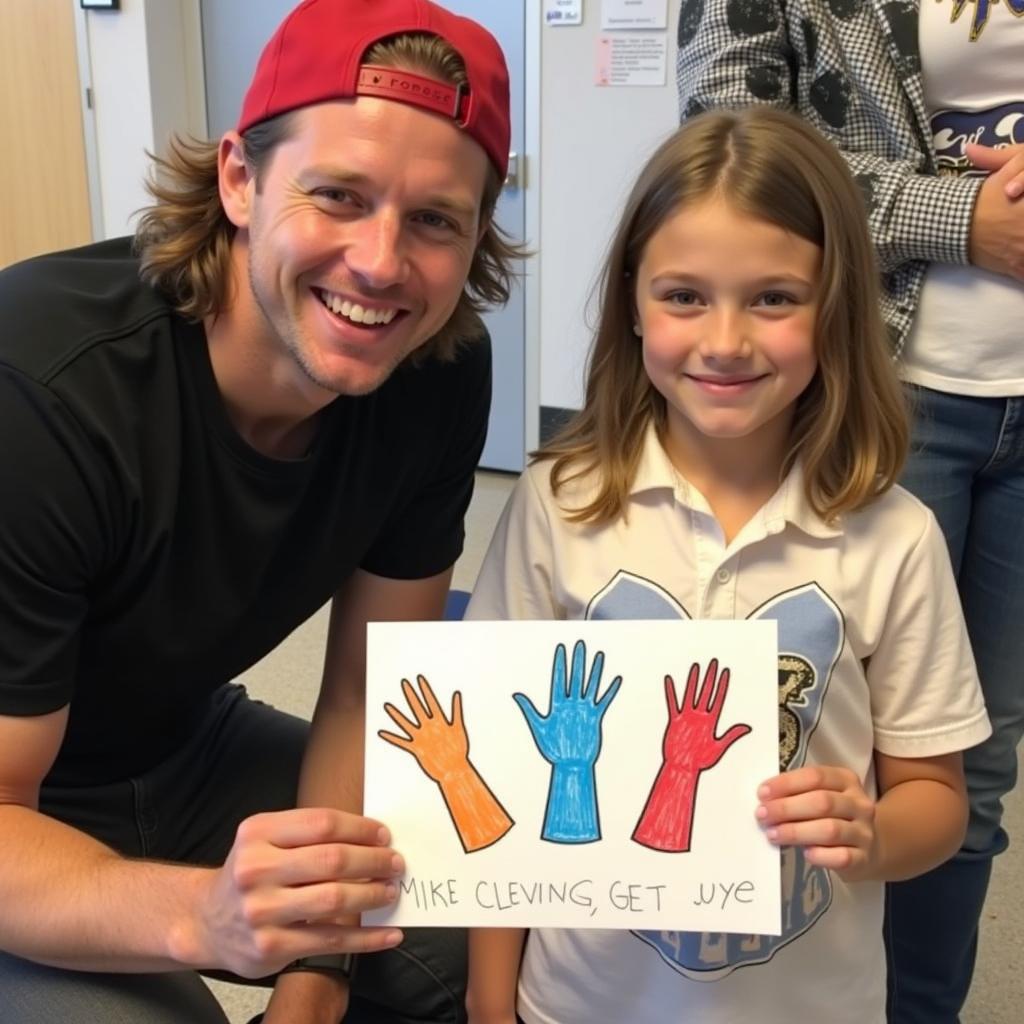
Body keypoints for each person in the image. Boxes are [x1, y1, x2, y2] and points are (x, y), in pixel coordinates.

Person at [0, 1, 523, 1022]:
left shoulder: (435, 369)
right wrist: (204, 917)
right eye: (338, 195)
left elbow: (367, 697)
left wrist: (313, 974)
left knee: (488, 911)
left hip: (180, 747)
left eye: (432, 220)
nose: (380, 264)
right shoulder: (46, 394)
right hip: (25, 807)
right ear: (240, 178)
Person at [462, 107, 990, 1024]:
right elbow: (501, 781)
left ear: (836, 309)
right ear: (633, 299)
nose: (725, 341)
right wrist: (487, 1002)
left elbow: (937, 801)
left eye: (775, 298)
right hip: (577, 1002)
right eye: (684, 296)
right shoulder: (561, 502)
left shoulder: (895, 535)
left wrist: (868, 834)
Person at [674, 4, 1024, 1019]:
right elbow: (729, 134)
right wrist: (957, 216)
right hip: (889, 380)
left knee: (976, 766)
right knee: (827, 738)